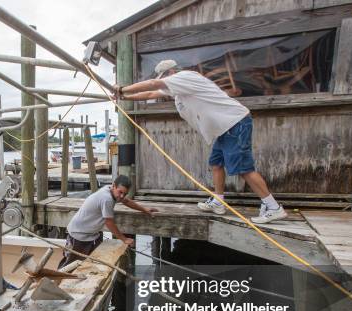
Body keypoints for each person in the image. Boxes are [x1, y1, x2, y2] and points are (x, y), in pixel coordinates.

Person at [114, 59, 287, 224]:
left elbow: (153, 85)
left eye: (165, 77)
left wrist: (122, 89)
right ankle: (219, 202)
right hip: (224, 129)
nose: (164, 82)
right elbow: (151, 93)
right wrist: (125, 97)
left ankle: (274, 207)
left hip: (235, 123)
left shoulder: (185, 77)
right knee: (216, 164)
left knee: (243, 169)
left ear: (172, 72)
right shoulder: (178, 88)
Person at [58, 175, 158, 269]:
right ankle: (55, 282)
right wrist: (124, 239)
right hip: (78, 235)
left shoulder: (109, 190)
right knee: (70, 265)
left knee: (94, 262)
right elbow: (109, 222)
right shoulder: (107, 199)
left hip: (92, 234)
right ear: (114, 186)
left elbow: (126, 201)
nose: (122, 196)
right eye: (120, 192)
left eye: (125, 193)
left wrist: (145, 210)